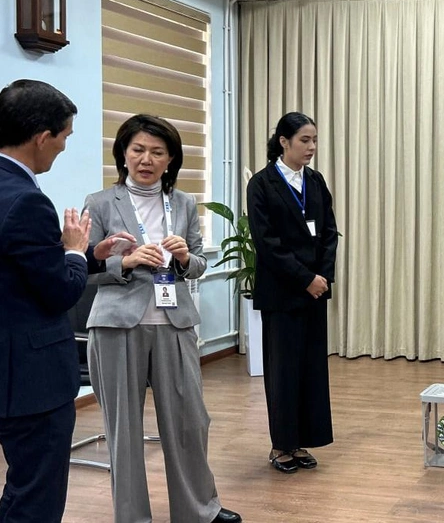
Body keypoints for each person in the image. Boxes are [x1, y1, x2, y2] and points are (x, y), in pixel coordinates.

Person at [83, 114, 241, 523]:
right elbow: (83, 269)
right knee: (124, 429)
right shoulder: (100, 202)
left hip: (174, 321)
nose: (146, 159)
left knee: (190, 421)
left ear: (171, 159)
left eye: (157, 152)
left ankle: (199, 511)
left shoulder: (184, 203)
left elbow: (200, 261)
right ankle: (132, 516)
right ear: (123, 154)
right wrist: (126, 261)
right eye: (137, 150)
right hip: (118, 323)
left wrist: (187, 258)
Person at [0, 79, 135, 523]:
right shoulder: (26, 201)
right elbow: (58, 291)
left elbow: (19, 271)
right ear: (42, 138)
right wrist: (75, 250)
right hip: (28, 379)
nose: (62, 148)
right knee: (35, 492)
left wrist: (85, 256)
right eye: (64, 138)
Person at [247, 112, 338, 473]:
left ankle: (302, 442)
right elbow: (267, 243)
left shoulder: (315, 181)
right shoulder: (263, 184)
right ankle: (281, 446)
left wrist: (323, 277)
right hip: (283, 292)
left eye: (314, 140)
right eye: (304, 140)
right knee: (283, 371)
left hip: (314, 291)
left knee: (311, 370)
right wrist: (304, 278)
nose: (311, 147)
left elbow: (330, 233)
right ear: (283, 142)